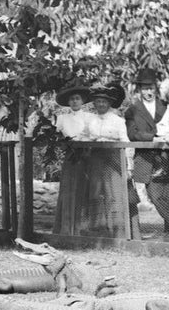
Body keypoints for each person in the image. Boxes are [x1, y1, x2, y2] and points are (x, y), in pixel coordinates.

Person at [124, 67, 169, 242]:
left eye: (151, 87)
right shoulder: (132, 110)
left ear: (156, 88)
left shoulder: (167, 106)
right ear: (139, 90)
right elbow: (132, 133)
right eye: (145, 88)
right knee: (156, 196)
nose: (148, 91)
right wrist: (154, 136)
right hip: (147, 159)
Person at [81, 83, 140, 238]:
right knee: (95, 194)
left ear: (109, 103)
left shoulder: (117, 120)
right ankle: (96, 231)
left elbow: (126, 142)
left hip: (114, 159)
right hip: (95, 159)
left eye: (104, 102)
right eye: (98, 101)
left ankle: (118, 232)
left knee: (114, 194)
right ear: (94, 103)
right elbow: (84, 137)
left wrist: (129, 167)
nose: (101, 104)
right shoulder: (89, 120)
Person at [51, 79, 92, 235]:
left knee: (86, 188)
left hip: (87, 154)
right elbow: (56, 136)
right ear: (68, 102)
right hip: (70, 156)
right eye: (72, 99)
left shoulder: (89, 117)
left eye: (77, 98)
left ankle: (84, 227)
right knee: (69, 189)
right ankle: (67, 227)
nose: (75, 101)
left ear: (82, 101)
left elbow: (91, 134)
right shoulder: (62, 118)